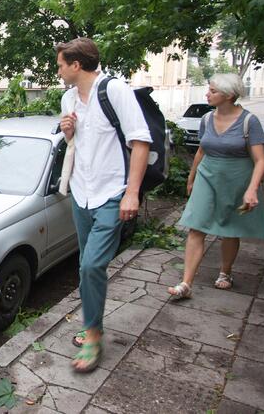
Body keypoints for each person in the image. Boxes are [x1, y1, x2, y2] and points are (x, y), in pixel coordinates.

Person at [57, 38, 152, 372]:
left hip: (112, 192)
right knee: (87, 264)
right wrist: (68, 131)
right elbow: (77, 143)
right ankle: (90, 323)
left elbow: (140, 142)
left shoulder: (114, 91)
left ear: (76, 65)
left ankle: (94, 335)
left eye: (60, 65)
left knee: (91, 266)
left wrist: (132, 193)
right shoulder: (68, 97)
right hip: (81, 192)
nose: (58, 71)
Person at [168, 73, 264, 298]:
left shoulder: (248, 121)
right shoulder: (206, 119)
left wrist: (252, 189)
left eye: (213, 91)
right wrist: (192, 177)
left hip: (237, 177)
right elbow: (202, 150)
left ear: (229, 95)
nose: (207, 93)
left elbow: (260, 159)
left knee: (230, 229)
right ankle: (186, 283)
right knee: (197, 226)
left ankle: (225, 272)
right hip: (208, 174)